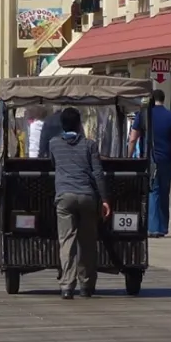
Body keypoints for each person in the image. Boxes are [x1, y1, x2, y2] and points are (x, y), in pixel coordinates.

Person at [47, 107, 109, 299]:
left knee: (67, 242)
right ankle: (87, 284)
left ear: (62, 125)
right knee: (88, 242)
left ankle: (67, 285)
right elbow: (98, 173)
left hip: (64, 196)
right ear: (79, 124)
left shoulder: (54, 144)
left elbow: (52, 164)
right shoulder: (90, 145)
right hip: (87, 196)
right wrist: (105, 199)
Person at [129, 90, 171, 238]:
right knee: (165, 193)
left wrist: (128, 156)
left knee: (153, 191)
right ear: (164, 99)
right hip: (167, 159)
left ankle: (153, 227)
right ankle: (163, 226)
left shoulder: (143, 115)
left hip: (150, 158)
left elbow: (133, 138)